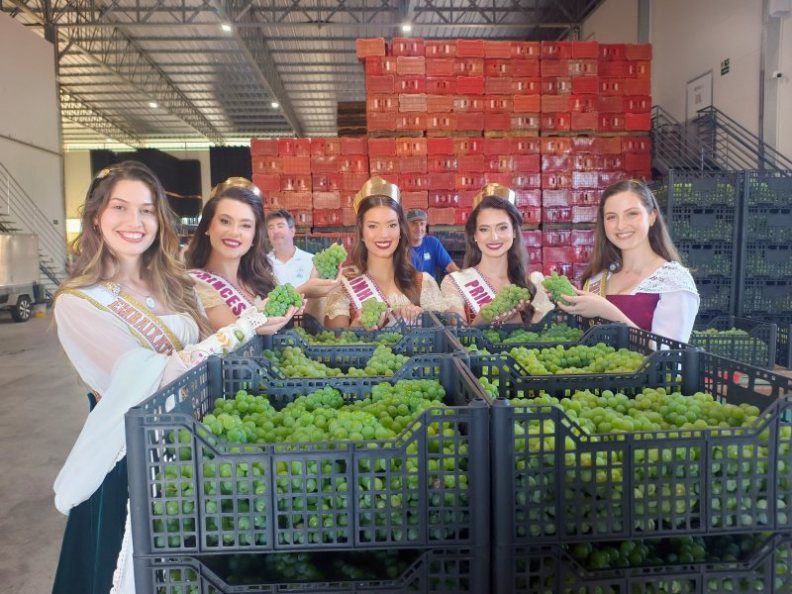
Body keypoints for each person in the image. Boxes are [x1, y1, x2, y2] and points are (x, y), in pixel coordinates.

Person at [51, 162, 279, 594]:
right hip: (128, 460)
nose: (134, 222)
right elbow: (149, 378)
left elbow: (210, 347)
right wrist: (244, 328)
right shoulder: (78, 303)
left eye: (147, 210)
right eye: (121, 207)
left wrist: (260, 323)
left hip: (192, 448)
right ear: (97, 215)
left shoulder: (174, 284)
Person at [552, 179, 699, 343]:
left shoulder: (674, 280)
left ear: (652, 217)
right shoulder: (598, 277)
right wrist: (567, 303)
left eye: (632, 214)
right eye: (611, 217)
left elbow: (669, 356)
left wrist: (608, 312)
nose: (621, 226)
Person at [324, 176, 447, 329]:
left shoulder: (423, 283)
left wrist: (423, 319)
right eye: (373, 226)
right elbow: (333, 345)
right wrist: (356, 328)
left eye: (391, 225)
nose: (384, 234)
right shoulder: (342, 285)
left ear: (400, 230)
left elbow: (445, 339)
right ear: (361, 233)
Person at [184, 179, 301, 332]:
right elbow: (236, 333)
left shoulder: (260, 280)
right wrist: (305, 289)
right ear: (207, 226)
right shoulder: (195, 284)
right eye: (225, 221)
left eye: (245, 225)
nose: (234, 232)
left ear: (254, 236)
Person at [440, 183, 552, 325]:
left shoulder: (534, 283)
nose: (494, 237)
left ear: (515, 232)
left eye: (502, 228)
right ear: (474, 235)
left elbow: (542, 339)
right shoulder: (454, 283)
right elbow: (457, 338)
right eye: (484, 229)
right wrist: (482, 320)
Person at [405, 208, 459, 281]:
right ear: (406, 227)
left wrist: (463, 282)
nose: (419, 228)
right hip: (407, 290)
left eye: (422, 224)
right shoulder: (400, 246)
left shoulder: (433, 243)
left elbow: (450, 267)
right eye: (414, 224)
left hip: (430, 290)